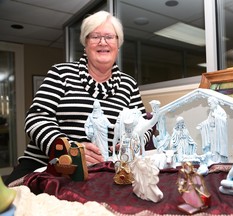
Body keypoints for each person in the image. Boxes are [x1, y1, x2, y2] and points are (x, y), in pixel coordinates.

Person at [5, 10, 151, 185]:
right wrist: (69, 149)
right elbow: (36, 118)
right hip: (48, 165)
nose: (102, 42)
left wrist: (132, 143)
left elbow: (144, 126)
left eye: (110, 37)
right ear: (85, 43)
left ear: (118, 44)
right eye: (95, 36)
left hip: (105, 170)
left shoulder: (129, 84)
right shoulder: (61, 73)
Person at [196, 96, 228, 163]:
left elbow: (224, 121)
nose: (209, 105)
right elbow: (208, 121)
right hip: (212, 132)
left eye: (210, 103)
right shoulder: (211, 112)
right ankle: (213, 159)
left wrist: (216, 116)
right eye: (208, 103)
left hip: (218, 133)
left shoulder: (221, 111)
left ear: (215, 103)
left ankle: (219, 159)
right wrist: (202, 125)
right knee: (212, 146)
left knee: (217, 147)